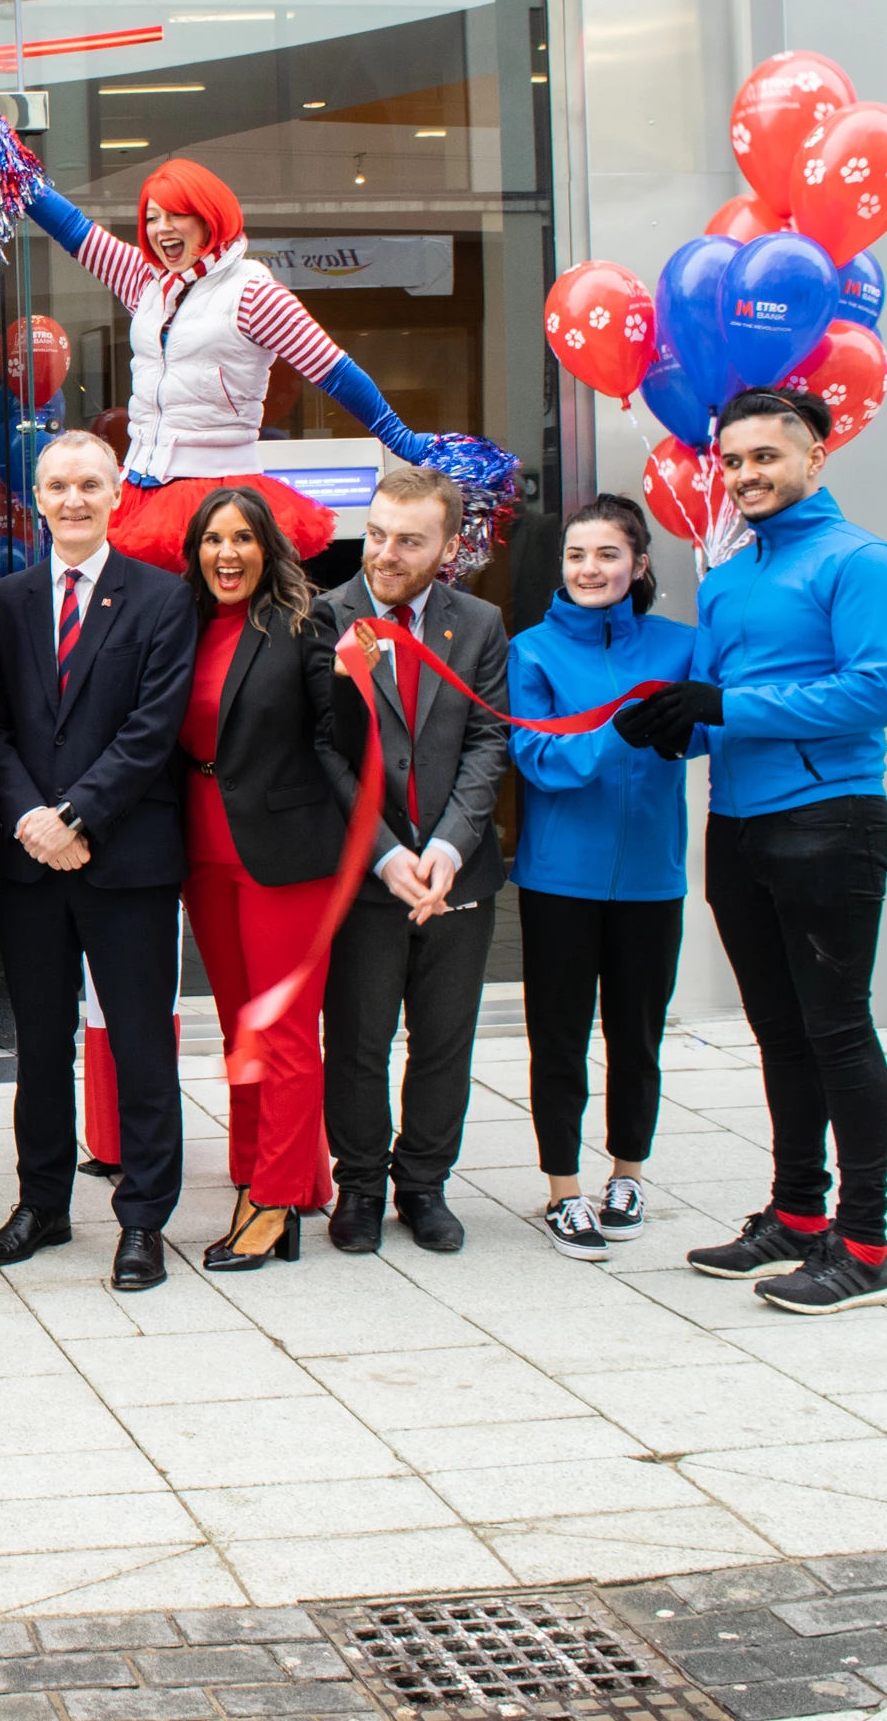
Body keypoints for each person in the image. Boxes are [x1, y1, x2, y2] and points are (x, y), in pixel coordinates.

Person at [618, 387, 887, 1314]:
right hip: (742, 826)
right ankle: (797, 1218)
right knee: (780, 1032)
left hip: (830, 820)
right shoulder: (729, 576)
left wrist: (724, 709)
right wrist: (675, 726)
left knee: (837, 1029)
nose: (747, 475)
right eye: (734, 461)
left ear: (813, 459)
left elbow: (873, 695)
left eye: (765, 457)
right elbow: (721, 704)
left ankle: (864, 1246)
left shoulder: (864, 563)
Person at [0, 431, 199, 1291]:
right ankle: (43, 1205)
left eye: (90, 485)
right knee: (39, 1046)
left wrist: (78, 815)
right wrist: (31, 815)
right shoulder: (4, 600)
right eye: (58, 485)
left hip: (126, 858)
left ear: (116, 496)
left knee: (142, 1045)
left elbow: (154, 727)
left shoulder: (162, 598)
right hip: (32, 861)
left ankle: (143, 1218)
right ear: (36, 497)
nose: (73, 499)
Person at [21, 159, 441, 563]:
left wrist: (400, 439)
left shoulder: (254, 293)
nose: (161, 228)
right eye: (152, 218)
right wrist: (12, 174)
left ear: (208, 217)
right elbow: (76, 230)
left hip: (214, 489)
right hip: (139, 484)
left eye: (176, 215)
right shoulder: (147, 280)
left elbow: (332, 369)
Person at [315, 464, 509, 1257]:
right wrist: (388, 856)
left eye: (409, 541)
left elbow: (488, 739)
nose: (386, 553)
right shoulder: (327, 617)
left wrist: (446, 851)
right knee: (359, 1037)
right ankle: (359, 1183)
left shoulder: (483, 622)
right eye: (378, 534)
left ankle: (423, 1184)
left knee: (443, 1038)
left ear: (449, 546)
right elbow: (323, 749)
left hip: (456, 874)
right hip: (367, 874)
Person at [510, 494, 696, 1261]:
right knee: (557, 1038)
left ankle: (628, 1175)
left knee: (638, 1035)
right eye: (577, 556)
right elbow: (538, 761)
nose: (591, 569)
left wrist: (684, 733)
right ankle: (562, 1189)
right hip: (560, 878)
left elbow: (707, 732)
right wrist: (619, 737)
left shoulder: (682, 646)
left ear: (639, 564)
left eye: (608, 555)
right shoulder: (533, 651)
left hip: (654, 875)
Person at [173, 485, 347, 1272]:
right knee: (242, 1029)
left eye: (243, 538)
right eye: (213, 540)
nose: (228, 554)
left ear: (267, 547)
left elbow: (338, 737)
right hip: (202, 852)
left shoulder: (305, 623)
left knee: (281, 1030)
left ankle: (277, 1197)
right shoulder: (182, 624)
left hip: (285, 854)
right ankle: (257, 1173)